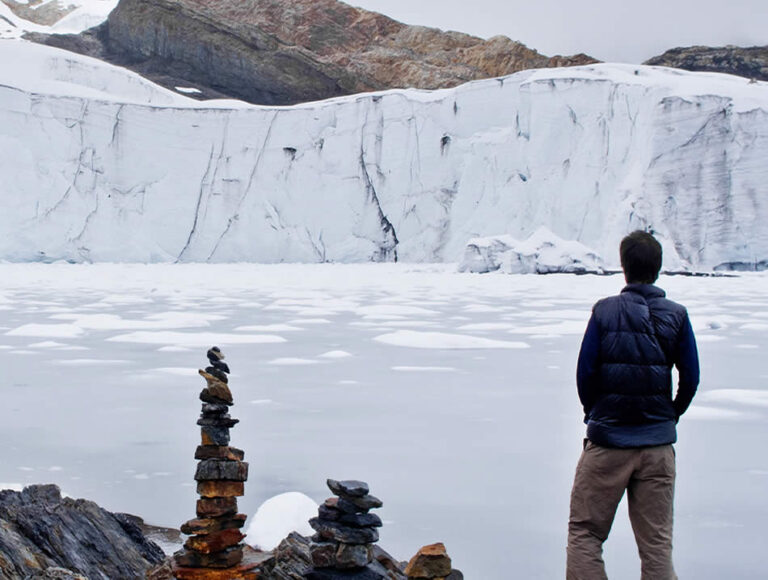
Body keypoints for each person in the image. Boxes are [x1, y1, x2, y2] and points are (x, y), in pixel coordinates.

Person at [566, 231, 699, 580]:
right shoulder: (678, 316)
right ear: (658, 268)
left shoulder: (605, 311)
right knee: (656, 545)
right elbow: (691, 378)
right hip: (657, 447)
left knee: (585, 533)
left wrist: (595, 415)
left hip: (608, 443)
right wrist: (669, 415)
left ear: (624, 267)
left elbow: (585, 373)